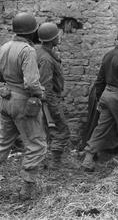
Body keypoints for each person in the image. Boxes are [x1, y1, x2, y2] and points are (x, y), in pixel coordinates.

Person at [0, 12, 47, 201]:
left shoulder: (4, 47)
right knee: (36, 144)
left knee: (2, 141)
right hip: (23, 102)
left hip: (6, 98)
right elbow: (31, 83)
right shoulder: (28, 50)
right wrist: (41, 94)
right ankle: (27, 188)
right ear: (31, 32)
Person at [81, 26, 118, 171]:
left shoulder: (108, 54)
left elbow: (99, 79)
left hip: (106, 95)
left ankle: (88, 159)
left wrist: (99, 98)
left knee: (101, 128)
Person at [36, 22, 70, 169]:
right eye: (56, 35)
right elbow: (46, 87)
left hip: (46, 99)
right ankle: (54, 162)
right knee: (61, 129)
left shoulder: (43, 53)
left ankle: (43, 160)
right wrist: (54, 108)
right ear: (51, 40)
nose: (59, 37)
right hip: (48, 100)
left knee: (46, 132)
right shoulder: (46, 59)